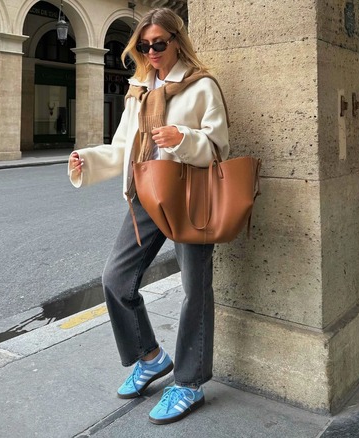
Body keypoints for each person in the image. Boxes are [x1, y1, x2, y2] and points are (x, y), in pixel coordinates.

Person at [67, 7, 229, 425]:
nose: (151, 52)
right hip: (146, 192)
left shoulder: (201, 86)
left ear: (177, 40)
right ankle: (151, 357)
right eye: (144, 45)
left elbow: (217, 147)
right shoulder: (139, 88)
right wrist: (87, 159)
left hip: (190, 194)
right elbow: (124, 146)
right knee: (116, 279)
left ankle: (189, 383)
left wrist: (182, 139)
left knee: (196, 288)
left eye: (159, 43)